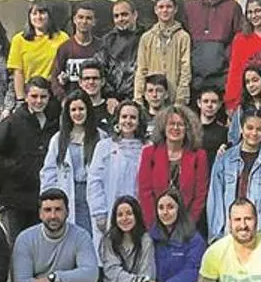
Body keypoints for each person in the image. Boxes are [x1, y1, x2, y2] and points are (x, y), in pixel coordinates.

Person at [0, 76, 59, 241]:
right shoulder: (12, 122)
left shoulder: (54, 122)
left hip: (42, 196)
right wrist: (17, 168)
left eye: (43, 97)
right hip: (15, 197)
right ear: (26, 97)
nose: (38, 101)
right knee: (18, 244)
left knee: (41, 243)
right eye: (34, 96)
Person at [40, 90, 105, 250]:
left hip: (92, 195)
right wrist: (49, 200)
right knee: (70, 243)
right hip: (68, 194)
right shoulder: (58, 139)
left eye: (81, 109)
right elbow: (49, 172)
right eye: (73, 110)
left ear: (88, 110)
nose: (77, 113)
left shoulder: (101, 137)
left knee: (93, 240)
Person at [208, 106, 261, 242]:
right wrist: (217, 237)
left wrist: (258, 236)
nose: (254, 133)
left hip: (257, 237)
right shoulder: (224, 159)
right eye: (249, 128)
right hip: (227, 235)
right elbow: (215, 199)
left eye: (259, 129)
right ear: (241, 128)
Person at [137, 105, 208, 226]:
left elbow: (200, 195)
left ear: (187, 129)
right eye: (171, 124)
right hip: (156, 223)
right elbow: (145, 193)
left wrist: (188, 224)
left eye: (180, 124)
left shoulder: (199, 156)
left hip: (187, 224)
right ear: (163, 127)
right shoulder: (149, 153)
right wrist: (154, 224)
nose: (175, 128)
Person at [88, 100, 146, 240]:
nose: (128, 121)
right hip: (109, 212)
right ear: (117, 120)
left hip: (139, 214)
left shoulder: (147, 148)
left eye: (133, 117)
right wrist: (99, 212)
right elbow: (94, 181)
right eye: (124, 117)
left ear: (139, 121)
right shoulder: (104, 146)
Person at [184, 0, 243, 94]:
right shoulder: (190, 8)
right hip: (196, 78)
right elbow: (185, 40)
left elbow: (239, 39)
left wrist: (225, 58)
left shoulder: (233, 7)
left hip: (222, 78)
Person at [134, 0, 191, 106]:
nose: (165, 10)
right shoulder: (146, 38)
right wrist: (138, 97)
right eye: (161, 7)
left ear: (175, 9)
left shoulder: (183, 37)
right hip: (152, 98)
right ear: (155, 10)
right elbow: (141, 69)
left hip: (174, 97)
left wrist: (181, 99)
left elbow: (185, 69)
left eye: (169, 7)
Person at [7, 0, 69, 102]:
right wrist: (21, 99)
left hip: (54, 93)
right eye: (34, 13)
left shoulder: (62, 38)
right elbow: (18, 73)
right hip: (29, 95)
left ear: (49, 15)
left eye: (42, 13)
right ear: (29, 17)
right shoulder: (18, 40)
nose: (38, 17)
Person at [52, 1, 101, 99]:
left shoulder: (102, 47)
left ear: (94, 21)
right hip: (72, 103)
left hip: (96, 102)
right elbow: (55, 78)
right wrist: (64, 99)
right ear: (74, 19)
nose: (84, 21)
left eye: (88, 18)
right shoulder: (64, 48)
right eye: (80, 17)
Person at [100, 0, 143, 104]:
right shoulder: (107, 40)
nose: (120, 19)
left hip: (141, 96)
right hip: (113, 99)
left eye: (124, 14)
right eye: (116, 16)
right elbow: (100, 70)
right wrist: (109, 96)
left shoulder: (146, 38)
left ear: (135, 15)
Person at [226, 65, 261, 147]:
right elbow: (233, 139)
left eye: (255, 80)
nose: (251, 85)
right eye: (247, 82)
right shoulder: (241, 109)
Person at [196, 87, 228, 174]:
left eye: (214, 102)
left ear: (220, 104)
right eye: (205, 101)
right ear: (199, 103)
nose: (209, 105)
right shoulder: (190, 130)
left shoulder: (225, 132)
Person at [76, 59, 113, 132]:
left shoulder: (112, 108)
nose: (91, 82)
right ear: (80, 82)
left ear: (103, 81)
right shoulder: (74, 109)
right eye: (87, 78)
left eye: (95, 78)